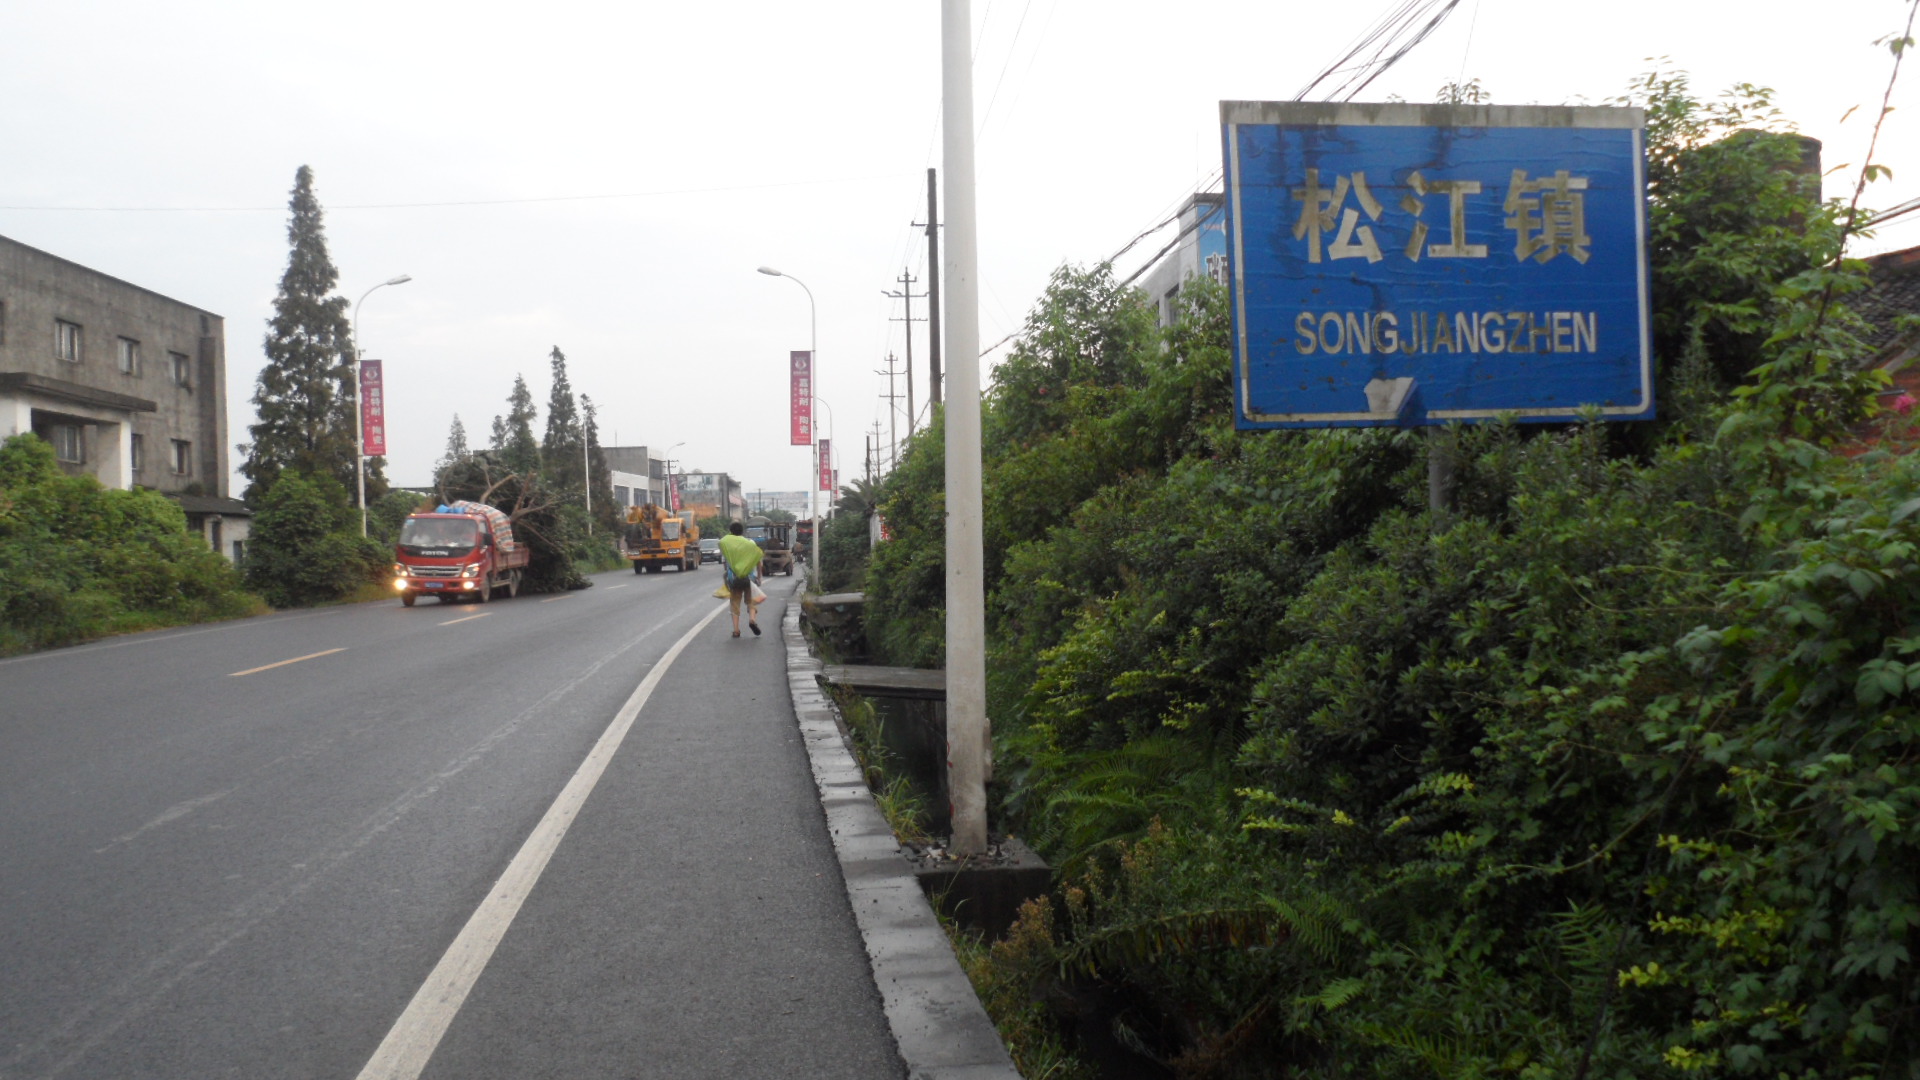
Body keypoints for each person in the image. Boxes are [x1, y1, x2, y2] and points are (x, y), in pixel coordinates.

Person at [717, 520, 765, 638]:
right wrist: (759, 577)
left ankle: (736, 630)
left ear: (731, 532)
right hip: (749, 579)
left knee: (735, 603)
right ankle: (752, 619)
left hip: (734, 579)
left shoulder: (727, 545)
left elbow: (725, 564)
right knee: (751, 601)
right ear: (742, 532)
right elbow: (759, 563)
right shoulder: (750, 544)